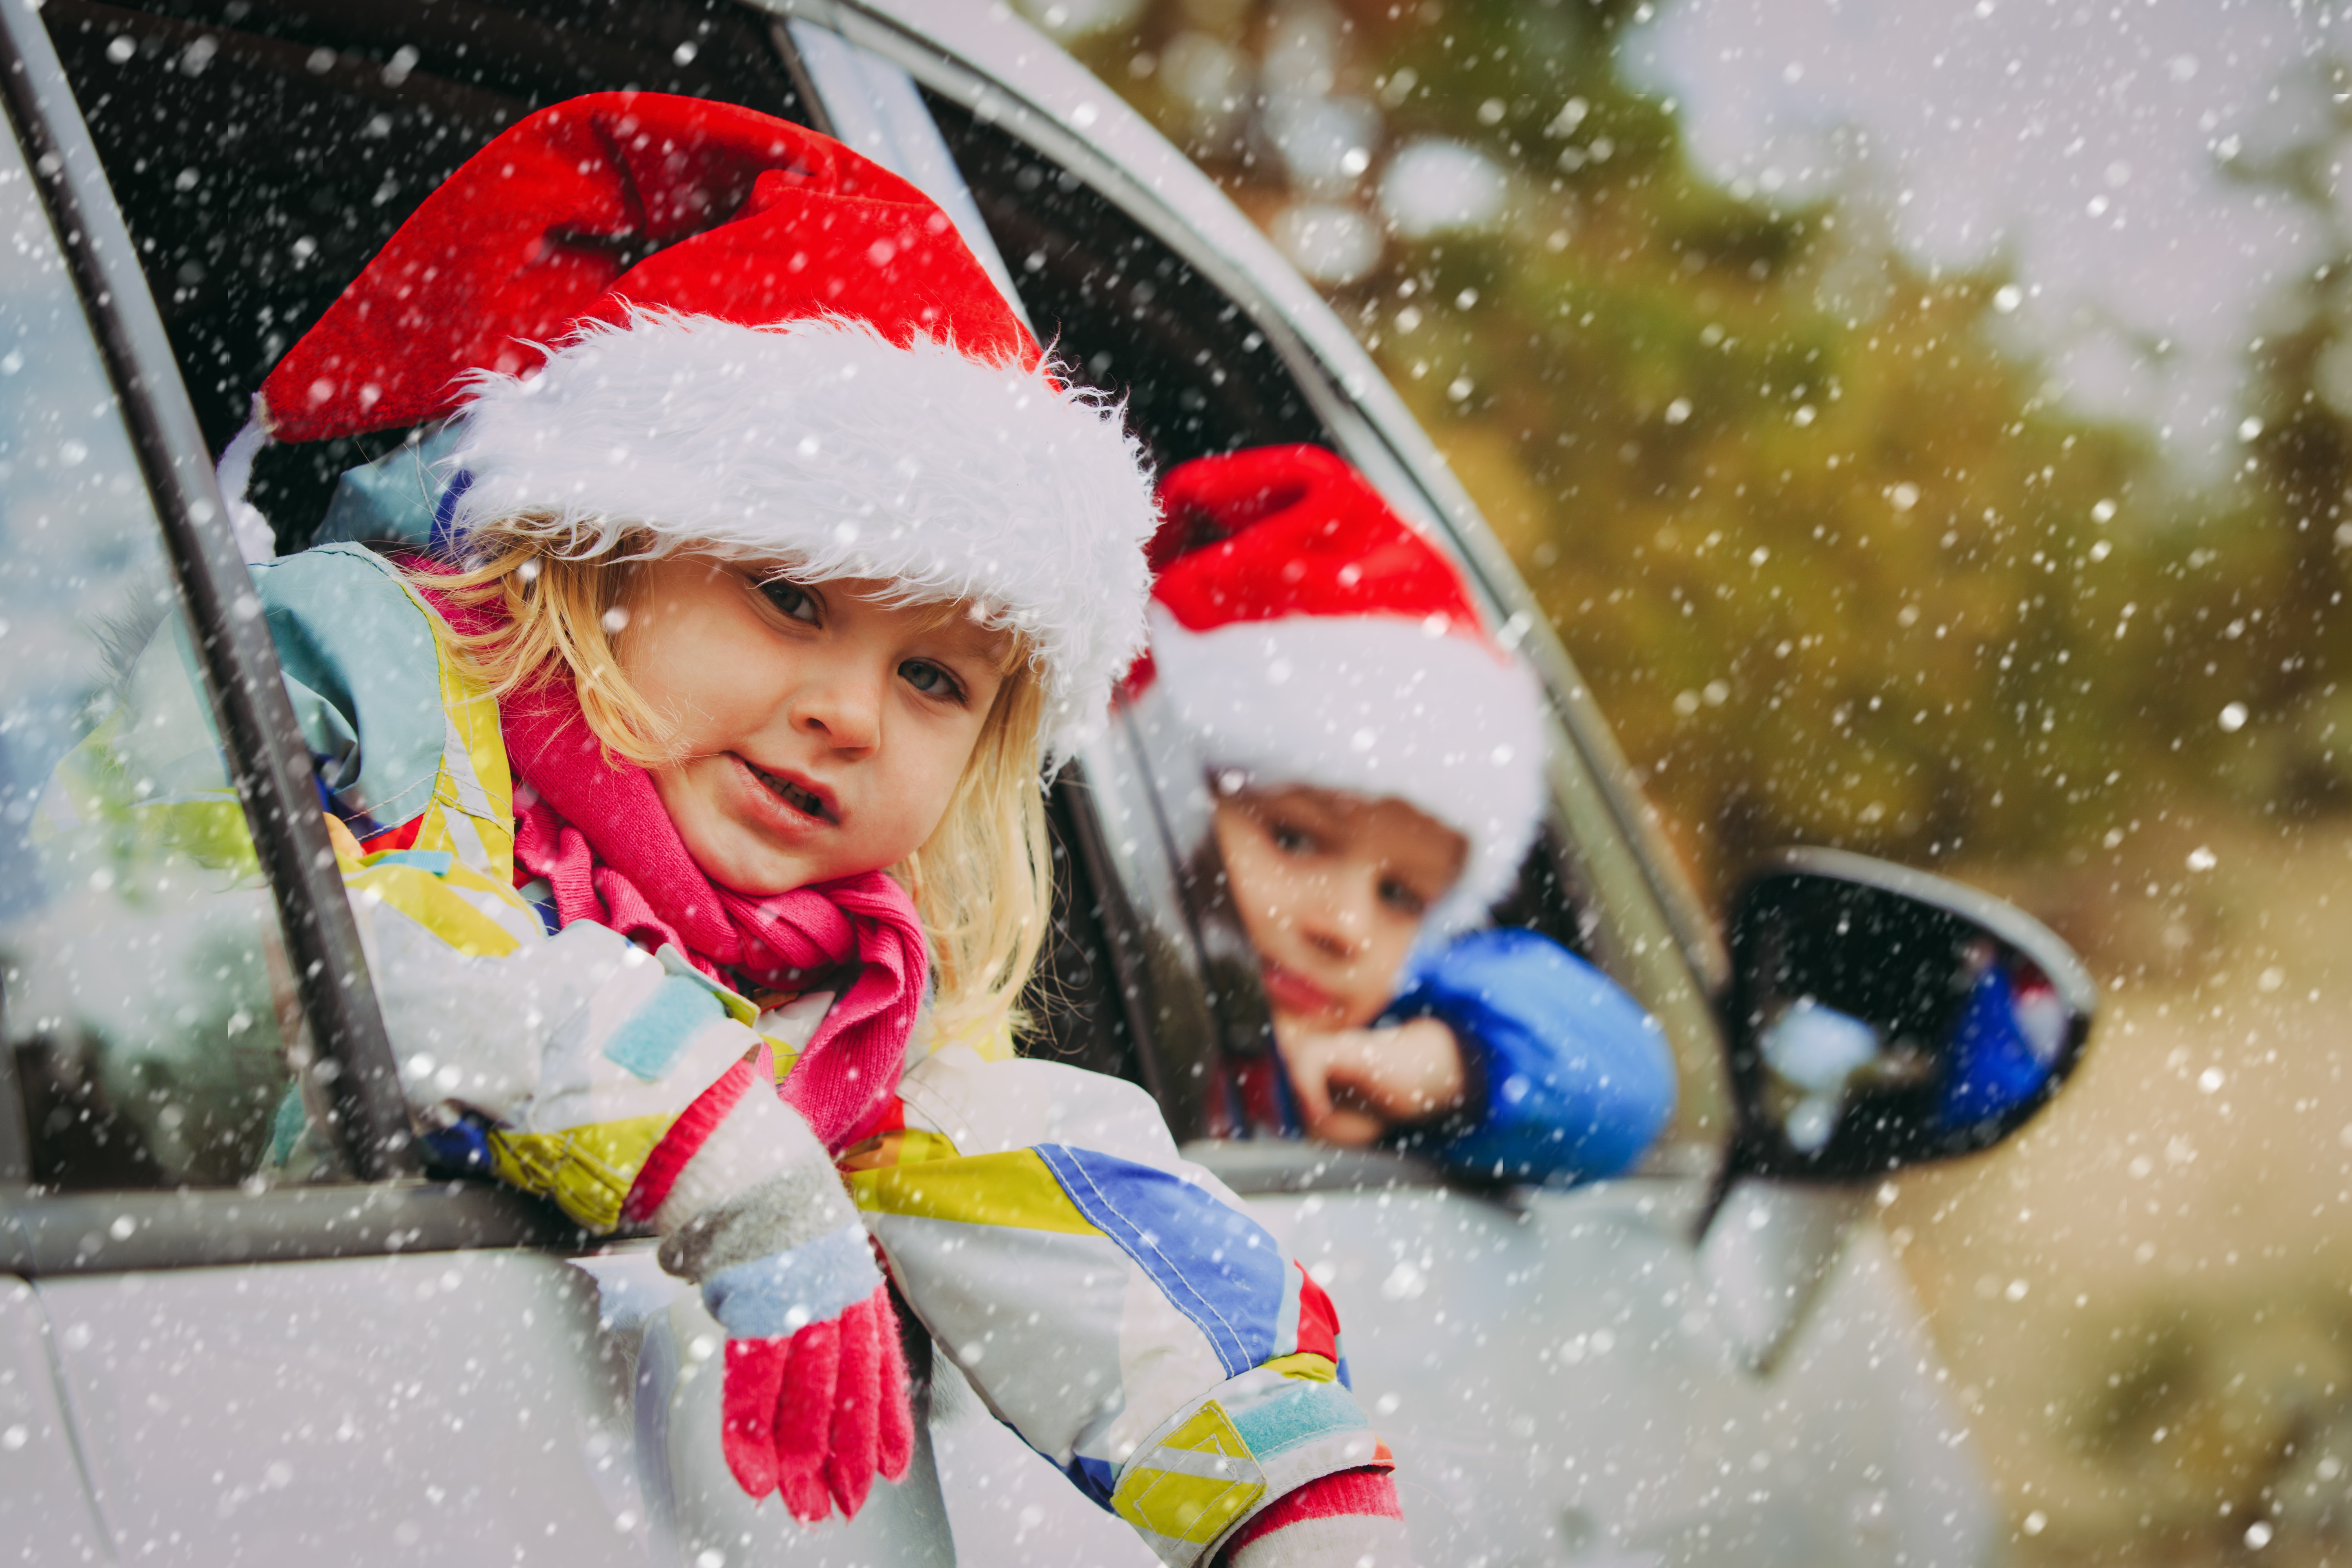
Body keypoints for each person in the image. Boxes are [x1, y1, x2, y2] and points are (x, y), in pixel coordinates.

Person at [154, 96, 1410, 1568]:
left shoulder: (843, 1007)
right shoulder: (362, 668)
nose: (850, 713)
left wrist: (1291, 1483)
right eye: (792, 596)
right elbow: (207, 918)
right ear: (601, 544)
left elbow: (1045, 1186)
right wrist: (703, 1134)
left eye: (935, 678)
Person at [1128, 445, 1677, 1184]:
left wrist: (1440, 1067)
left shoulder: (1386, 1028)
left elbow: (1630, 1080)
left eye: (1401, 896)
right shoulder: (1080, 979)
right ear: (1162, 795)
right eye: (1294, 838)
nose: (1344, 928)